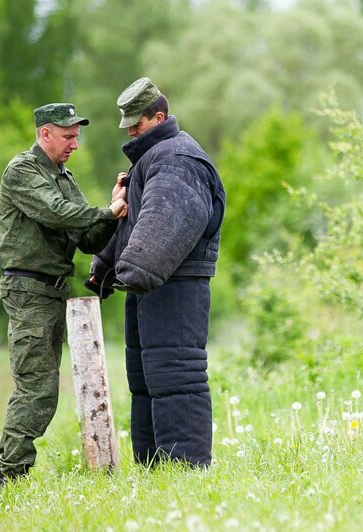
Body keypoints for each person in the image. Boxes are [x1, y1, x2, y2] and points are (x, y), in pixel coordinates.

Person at [88, 78, 226, 468]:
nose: (131, 131)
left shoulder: (177, 156)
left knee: (175, 374)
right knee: (146, 378)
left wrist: (133, 270)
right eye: (127, 124)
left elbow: (168, 216)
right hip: (149, 285)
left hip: (176, 284)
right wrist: (104, 269)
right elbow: (135, 223)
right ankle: (153, 466)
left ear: (159, 116)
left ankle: (185, 467)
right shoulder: (153, 158)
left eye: (137, 123)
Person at [0, 103, 128, 486]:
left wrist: (113, 210)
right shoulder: (23, 171)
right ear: (45, 134)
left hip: (52, 292)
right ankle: (11, 477)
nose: (75, 144)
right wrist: (106, 211)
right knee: (37, 389)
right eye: (68, 136)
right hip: (28, 290)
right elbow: (56, 213)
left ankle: (13, 473)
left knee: (41, 389)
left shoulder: (62, 177)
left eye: (76, 137)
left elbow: (87, 238)